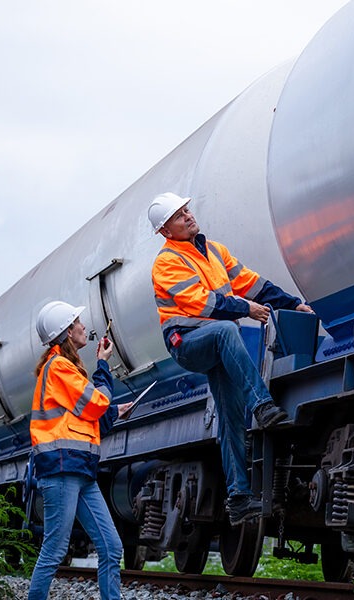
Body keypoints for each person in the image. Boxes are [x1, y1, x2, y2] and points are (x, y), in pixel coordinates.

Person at [147, 192, 315, 526]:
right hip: (188, 343)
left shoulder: (215, 251)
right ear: (166, 231)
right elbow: (201, 304)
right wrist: (244, 309)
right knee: (226, 330)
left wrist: (292, 303)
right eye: (179, 216)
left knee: (230, 417)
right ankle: (262, 405)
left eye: (187, 210)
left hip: (217, 342)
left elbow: (251, 284)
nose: (188, 216)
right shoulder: (166, 262)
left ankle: (239, 498)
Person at [27, 301, 133, 600]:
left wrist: (113, 413)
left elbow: (84, 418)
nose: (83, 326)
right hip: (62, 470)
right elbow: (96, 402)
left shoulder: (63, 369)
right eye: (78, 322)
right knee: (55, 548)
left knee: (112, 546)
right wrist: (103, 365)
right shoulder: (59, 366)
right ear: (66, 332)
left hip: (81, 470)